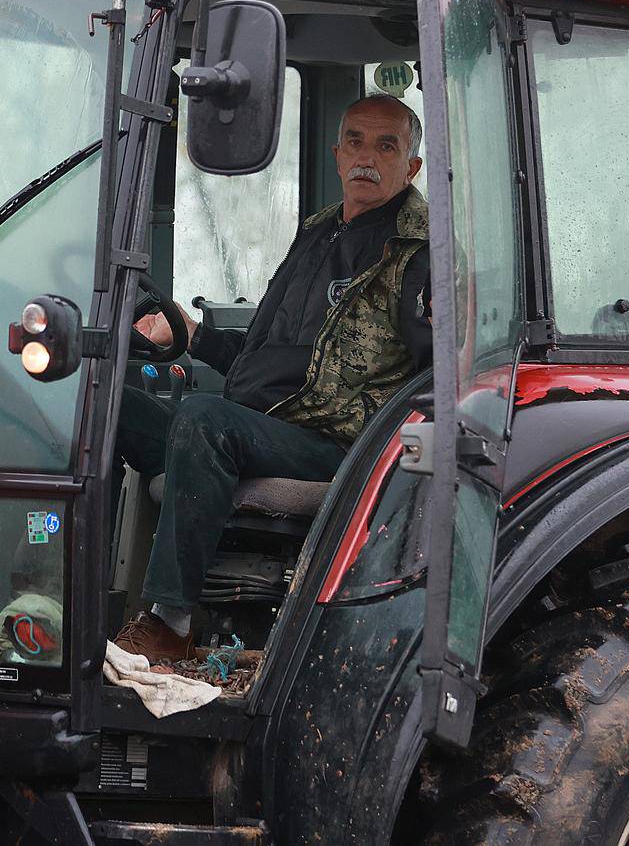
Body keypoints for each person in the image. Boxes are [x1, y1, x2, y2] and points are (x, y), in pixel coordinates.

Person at [112, 94, 431, 662]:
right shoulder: (317, 234)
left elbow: (441, 377)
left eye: (387, 146)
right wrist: (190, 333)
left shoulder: (418, 256)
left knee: (205, 420)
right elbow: (261, 360)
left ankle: (170, 622)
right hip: (262, 427)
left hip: (340, 445)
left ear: (411, 167)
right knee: (111, 408)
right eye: (355, 141)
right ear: (335, 155)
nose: (367, 157)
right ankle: (62, 607)